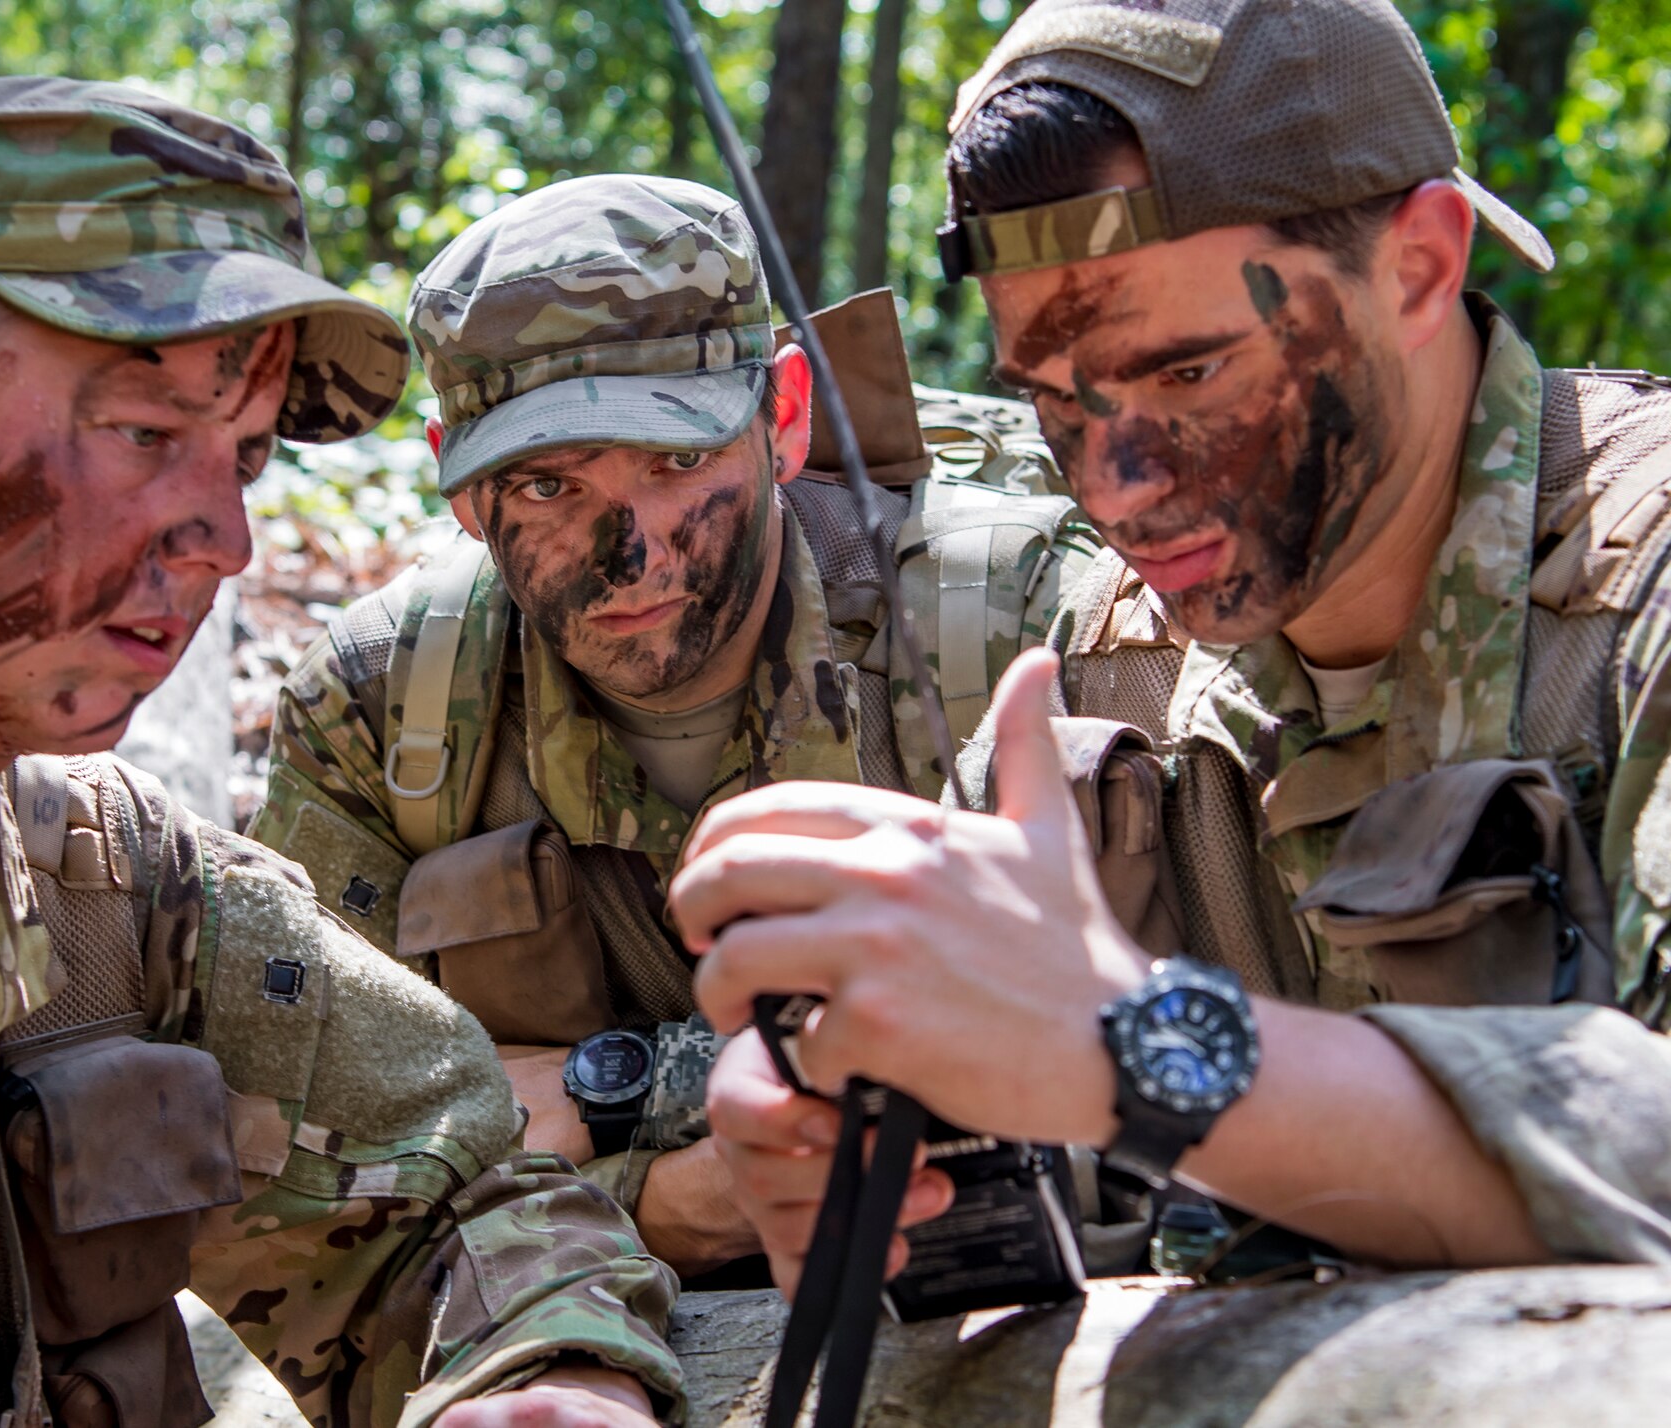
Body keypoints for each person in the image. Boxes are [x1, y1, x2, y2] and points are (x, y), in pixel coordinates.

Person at [0, 76, 682, 1428]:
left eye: (245, 458)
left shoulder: (115, 890)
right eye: (145, 433)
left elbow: (469, 1191)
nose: (225, 537)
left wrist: (552, 1384)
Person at [672, 0, 1671, 1298]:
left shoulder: (1638, 595)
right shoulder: (1110, 664)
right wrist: (830, 1103)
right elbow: (955, 1042)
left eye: (1192, 376)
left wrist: (1137, 1052)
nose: (1118, 487)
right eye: (1053, 399)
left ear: (1418, 267)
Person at [249, 172, 1099, 1278]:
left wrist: (600, 1098)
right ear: (459, 490)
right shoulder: (376, 707)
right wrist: (661, 1203)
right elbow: (300, 1173)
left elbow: (1149, 1054)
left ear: (781, 418)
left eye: (678, 463)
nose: (633, 558)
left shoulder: (1024, 633)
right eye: (550, 488)